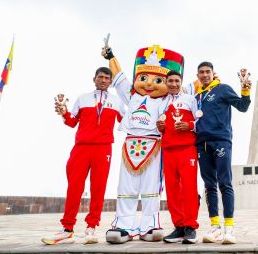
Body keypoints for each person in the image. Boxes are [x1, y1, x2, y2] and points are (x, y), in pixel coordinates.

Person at [102, 44, 184, 243]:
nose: (150, 84)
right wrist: (111, 56)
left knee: (151, 188)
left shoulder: (166, 100)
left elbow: (186, 91)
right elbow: (119, 76)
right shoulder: (131, 96)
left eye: (158, 80)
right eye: (144, 78)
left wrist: (205, 80)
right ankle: (123, 225)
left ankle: (149, 225)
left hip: (153, 146)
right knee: (126, 187)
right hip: (130, 145)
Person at [41, 67, 124, 245]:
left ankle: (91, 227)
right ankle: (67, 229)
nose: (103, 80)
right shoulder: (82, 98)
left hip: (103, 149)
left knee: (98, 187)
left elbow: (126, 122)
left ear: (110, 81)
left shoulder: (117, 101)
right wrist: (63, 112)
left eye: (106, 78)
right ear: (94, 79)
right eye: (100, 77)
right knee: (74, 187)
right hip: (81, 148)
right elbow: (72, 122)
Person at [194, 61, 251, 245]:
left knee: (225, 183)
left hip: (221, 141)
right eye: (201, 72)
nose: (204, 75)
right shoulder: (197, 97)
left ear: (213, 73)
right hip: (201, 144)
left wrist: (245, 90)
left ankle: (229, 228)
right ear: (198, 76)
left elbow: (242, 106)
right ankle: (215, 227)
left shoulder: (223, 89)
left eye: (207, 72)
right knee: (209, 185)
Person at [156, 70, 200, 244]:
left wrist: (189, 125)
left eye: (176, 81)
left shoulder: (190, 99)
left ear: (180, 82)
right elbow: (161, 127)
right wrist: (160, 127)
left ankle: (191, 227)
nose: (173, 84)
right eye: (170, 81)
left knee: (189, 188)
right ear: (166, 83)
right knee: (172, 190)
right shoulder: (162, 103)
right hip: (168, 149)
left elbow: (199, 121)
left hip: (187, 148)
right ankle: (179, 226)